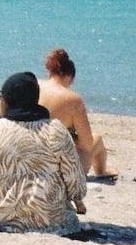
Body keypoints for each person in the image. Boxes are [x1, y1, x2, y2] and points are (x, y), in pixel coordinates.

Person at [0, 72, 88, 232]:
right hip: (51, 222)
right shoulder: (56, 130)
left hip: (0, 220)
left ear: (7, 100)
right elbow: (77, 186)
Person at [26, 48, 114, 178]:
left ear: (50, 72)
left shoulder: (33, 85)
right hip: (55, 169)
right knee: (97, 140)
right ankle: (101, 172)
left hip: (28, 157)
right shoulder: (73, 99)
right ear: (70, 77)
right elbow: (87, 144)